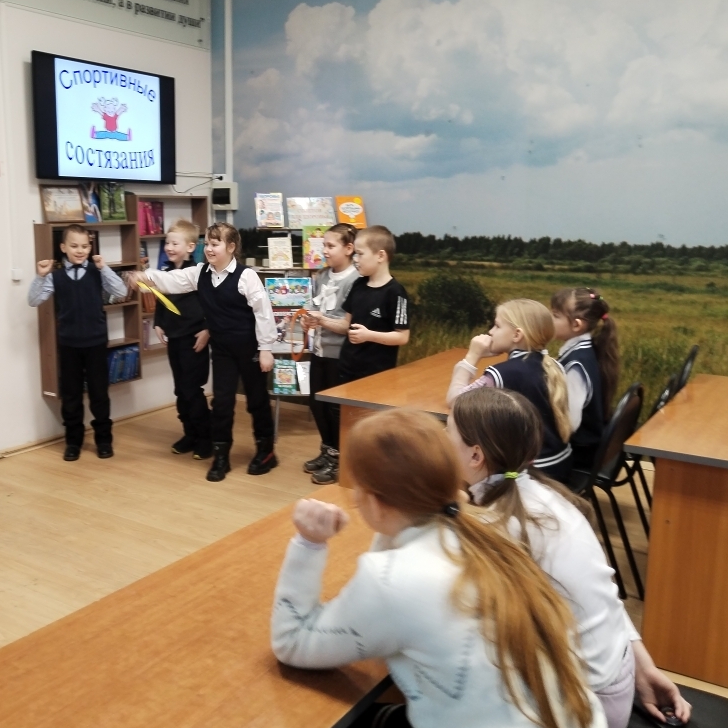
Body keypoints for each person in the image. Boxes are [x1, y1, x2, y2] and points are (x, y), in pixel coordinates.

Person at [271, 408, 605, 728]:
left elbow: (292, 641)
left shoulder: (392, 579)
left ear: (372, 500)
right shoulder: (489, 529)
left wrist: (309, 543)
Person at [447, 387, 691, 727]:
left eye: (448, 431)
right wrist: (643, 667)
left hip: (581, 708)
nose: (441, 440)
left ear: (475, 456)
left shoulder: (499, 528)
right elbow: (599, 595)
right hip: (615, 678)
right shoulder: (550, 498)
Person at [127, 223, 277, 482]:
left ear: (231, 247)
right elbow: (171, 280)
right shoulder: (199, 273)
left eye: (215, 244)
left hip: (249, 348)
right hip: (222, 350)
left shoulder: (246, 276)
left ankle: (266, 452)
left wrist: (265, 349)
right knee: (222, 403)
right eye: (206, 243)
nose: (209, 248)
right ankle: (221, 456)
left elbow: (263, 313)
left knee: (256, 400)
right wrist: (144, 276)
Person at [306, 225, 410, 485]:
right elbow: (346, 324)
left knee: (369, 424)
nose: (356, 260)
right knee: (338, 415)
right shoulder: (359, 286)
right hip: (347, 365)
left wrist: (369, 335)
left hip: (376, 373)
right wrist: (320, 320)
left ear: (381, 255)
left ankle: (360, 467)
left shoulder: (396, 293)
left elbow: (402, 336)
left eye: (360, 254)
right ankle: (336, 458)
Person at [29, 224, 128, 461]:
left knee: (99, 394)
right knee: (71, 396)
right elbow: (34, 300)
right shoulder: (55, 276)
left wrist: (104, 268)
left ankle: (104, 440)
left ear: (90, 247)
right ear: (63, 247)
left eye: (85, 246)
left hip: (96, 343)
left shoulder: (97, 272)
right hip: (69, 344)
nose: (80, 250)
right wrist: (40, 276)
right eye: (74, 246)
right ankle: (73, 442)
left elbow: (121, 291)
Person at [447, 298, 573, 482]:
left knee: (465, 456)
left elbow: (456, 401)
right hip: (559, 463)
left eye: (497, 326)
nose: (491, 332)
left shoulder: (504, 373)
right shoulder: (554, 365)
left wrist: (472, 356)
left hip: (532, 473)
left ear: (516, 335)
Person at [300, 223, 358, 485]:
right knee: (316, 403)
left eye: (330, 246)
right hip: (319, 351)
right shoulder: (322, 276)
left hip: (340, 357)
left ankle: (340, 458)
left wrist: (321, 320)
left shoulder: (355, 281)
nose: (324, 250)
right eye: (323, 245)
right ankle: (327, 449)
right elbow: (312, 307)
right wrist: (306, 320)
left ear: (349, 248)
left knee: (336, 409)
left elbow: (347, 326)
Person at [152, 220, 211, 460]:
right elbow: (160, 299)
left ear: (190, 247)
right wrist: (158, 323)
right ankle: (189, 434)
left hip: (194, 339)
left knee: (192, 389)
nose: (169, 247)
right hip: (174, 339)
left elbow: (212, 305)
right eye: (167, 242)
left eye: (175, 243)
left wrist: (207, 330)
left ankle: (206, 437)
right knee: (180, 389)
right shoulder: (164, 273)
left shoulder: (198, 274)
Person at [551, 288, 621, 472]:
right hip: (587, 448)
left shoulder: (576, 365)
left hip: (579, 455)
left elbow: (570, 424)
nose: (550, 320)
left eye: (555, 316)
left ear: (576, 325)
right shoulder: (586, 350)